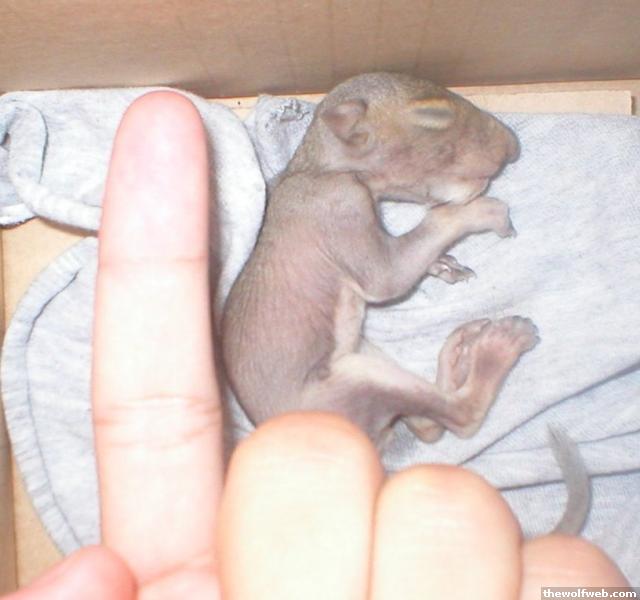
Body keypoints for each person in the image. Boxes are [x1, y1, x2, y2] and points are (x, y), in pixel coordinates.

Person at [4, 92, 629, 600]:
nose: (458, 160)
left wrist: (417, 241)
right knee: (355, 371)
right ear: (351, 130)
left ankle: (425, 411)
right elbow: (382, 281)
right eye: (439, 141)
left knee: (358, 370)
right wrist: (450, 222)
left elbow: (363, 265)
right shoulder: (333, 194)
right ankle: (459, 404)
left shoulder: (316, 195)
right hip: (311, 396)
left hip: (310, 393)